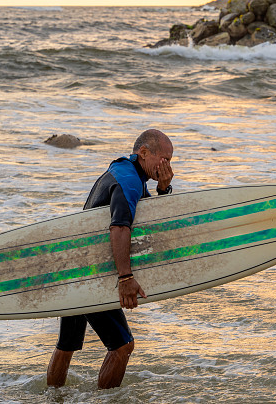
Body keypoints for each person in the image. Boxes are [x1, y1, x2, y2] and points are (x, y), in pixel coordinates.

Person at [47, 129, 174, 389]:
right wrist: (125, 278)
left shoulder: (125, 172)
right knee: (122, 346)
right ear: (144, 153)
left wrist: (164, 189)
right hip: (91, 274)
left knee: (67, 345)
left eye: (171, 161)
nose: (168, 166)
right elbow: (119, 227)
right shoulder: (128, 180)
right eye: (165, 159)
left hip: (75, 266)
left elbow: (149, 224)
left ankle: (53, 397)